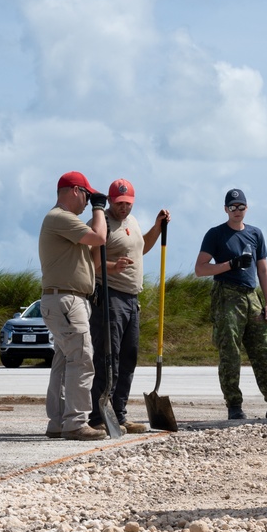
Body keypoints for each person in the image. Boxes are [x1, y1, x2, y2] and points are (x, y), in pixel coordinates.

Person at [195, 188, 267, 420]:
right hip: (227, 297)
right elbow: (200, 269)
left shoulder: (255, 234)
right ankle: (234, 406)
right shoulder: (216, 234)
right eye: (232, 207)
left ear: (246, 208)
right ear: (225, 209)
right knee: (230, 353)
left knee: (265, 352)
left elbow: (263, 268)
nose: (237, 211)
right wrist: (230, 264)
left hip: (252, 297)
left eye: (241, 207)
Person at [87, 178, 170, 434]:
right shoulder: (101, 224)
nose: (124, 208)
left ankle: (120, 414)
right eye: (120, 203)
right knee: (107, 357)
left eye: (128, 203)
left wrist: (157, 227)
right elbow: (91, 263)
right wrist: (114, 266)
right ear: (111, 200)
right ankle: (98, 416)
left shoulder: (131, 222)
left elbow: (140, 247)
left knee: (128, 358)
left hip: (132, 299)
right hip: (109, 297)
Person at [38, 171, 109, 441]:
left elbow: (93, 257)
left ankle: (58, 421)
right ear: (75, 191)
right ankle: (76, 422)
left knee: (64, 360)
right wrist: (100, 208)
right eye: (87, 196)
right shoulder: (60, 218)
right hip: (67, 300)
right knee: (81, 359)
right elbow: (99, 238)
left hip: (64, 299)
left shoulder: (64, 223)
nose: (88, 201)